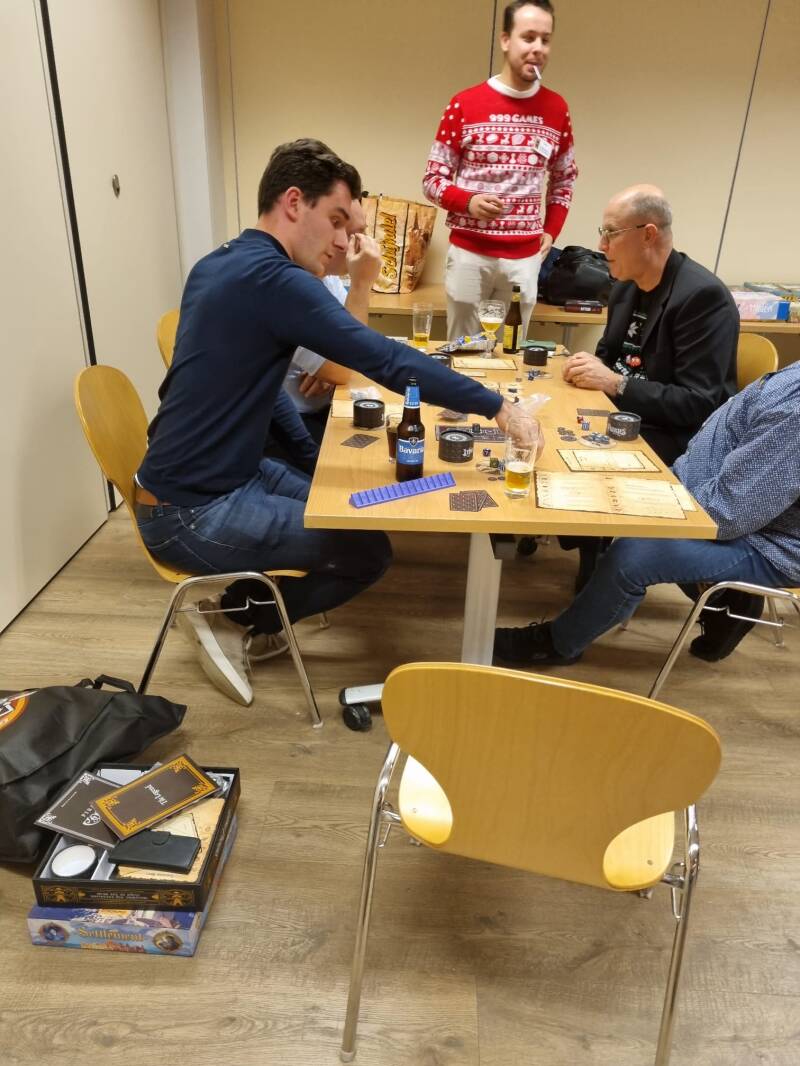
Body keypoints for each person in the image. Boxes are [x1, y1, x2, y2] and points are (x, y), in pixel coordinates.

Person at [136, 138, 527, 706]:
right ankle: (230, 618)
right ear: (294, 202)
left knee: (355, 511)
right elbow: (383, 359)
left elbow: (262, 390)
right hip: (190, 511)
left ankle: (244, 609)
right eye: (337, 221)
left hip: (217, 475)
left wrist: (306, 458)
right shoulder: (279, 281)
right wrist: (497, 406)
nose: (344, 242)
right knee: (367, 554)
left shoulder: (220, 261)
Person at [494, 362, 800, 667]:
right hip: (699, 492)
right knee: (601, 483)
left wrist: (652, 505)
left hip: (765, 542)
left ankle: (558, 644)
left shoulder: (794, 411)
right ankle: (725, 601)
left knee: (632, 557)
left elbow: (729, 515)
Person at [559, 184, 739, 589]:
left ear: (648, 234)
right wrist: (586, 368)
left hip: (678, 433)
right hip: (626, 413)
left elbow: (699, 403)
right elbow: (608, 356)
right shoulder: (625, 285)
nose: (601, 245)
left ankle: (603, 570)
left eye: (611, 233)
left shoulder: (702, 297)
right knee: (553, 430)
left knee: (580, 457)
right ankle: (588, 549)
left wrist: (615, 383)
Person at [422, 0, 577, 342]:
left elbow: (565, 178)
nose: (538, 48)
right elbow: (432, 180)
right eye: (528, 37)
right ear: (506, 40)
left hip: (525, 259)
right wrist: (468, 201)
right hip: (469, 255)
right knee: (463, 350)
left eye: (546, 40)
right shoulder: (464, 104)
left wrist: (551, 230)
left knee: (511, 353)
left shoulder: (556, 108)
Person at [280, 197, 381, 445]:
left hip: (326, 406)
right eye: (354, 234)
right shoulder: (290, 283)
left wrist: (337, 364)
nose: (363, 244)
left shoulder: (327, 274)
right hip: (289, 426)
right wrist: (361, 284)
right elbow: (347, 361)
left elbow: (356, 347)